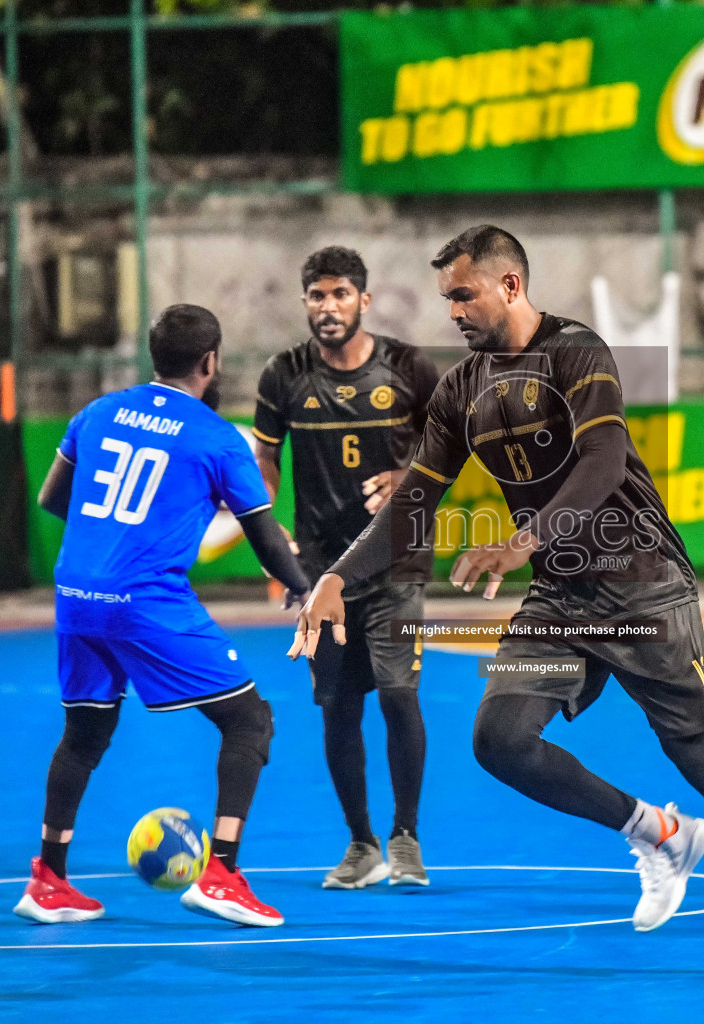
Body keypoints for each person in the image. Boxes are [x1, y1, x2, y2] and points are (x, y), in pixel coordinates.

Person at [289, 225, 704, 982]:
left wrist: (519, 544)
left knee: (697, 751)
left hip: (640, 579)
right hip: (561, 593)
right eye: (446, 297)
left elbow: (603, 460)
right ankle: (658, 834)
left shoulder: (575, 353)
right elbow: (415, 497)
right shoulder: (461, 389)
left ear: (510, 286)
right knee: (501, 740)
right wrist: (336, 579)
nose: (452, 309)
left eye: (463, 293)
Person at [14, 303, 310, 928]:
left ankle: (47, 881)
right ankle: (222, 875)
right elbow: (265, 538)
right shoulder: (214, 436)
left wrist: (111, 543)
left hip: (76, 595)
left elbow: (51, 497)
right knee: (250, 721)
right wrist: (304, 589)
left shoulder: (96, 412)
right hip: (144, 599)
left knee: (85, 734)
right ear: (211, 361)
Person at [254, 246, 440, 889]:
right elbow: (266, 462)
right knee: (337, 708)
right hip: (320, 572)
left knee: (397, 693)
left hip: (398, 561)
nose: (327, 307)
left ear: (365, 300)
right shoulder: (284, 376)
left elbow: (450, 447)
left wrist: (408, 480)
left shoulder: (411, 368)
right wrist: (263, 520)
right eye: (316, 295)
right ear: (304, 302)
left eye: (339, 294)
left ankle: (406, 836)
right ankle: (361, 844)